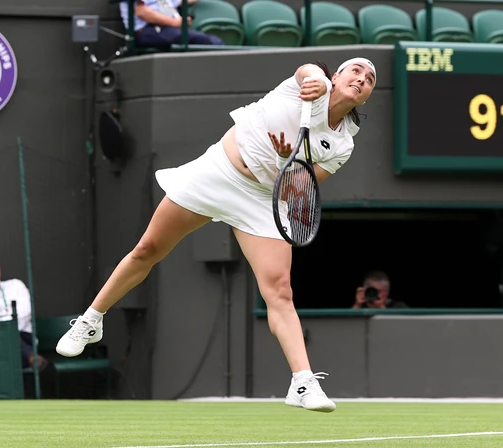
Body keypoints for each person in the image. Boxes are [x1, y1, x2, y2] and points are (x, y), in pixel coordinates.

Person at [56, 58, 377, 413]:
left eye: (369, 79)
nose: (361, 78)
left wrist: (288, 162)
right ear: (336, 76)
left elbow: (297, 189)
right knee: (148, 249)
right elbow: (307, 70)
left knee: (280, 290)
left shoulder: (342, 145)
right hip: (218, 172)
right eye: (356, 71)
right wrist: (317, 80)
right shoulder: (307, 85)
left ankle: (302, 382)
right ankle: (91, 320)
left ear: (366, 97)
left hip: (262, 199)